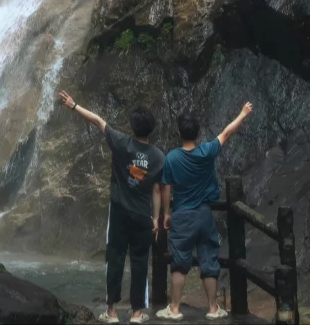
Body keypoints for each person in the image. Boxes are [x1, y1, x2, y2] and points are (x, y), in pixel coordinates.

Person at [58, 89, 165, 324]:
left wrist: (74, 106)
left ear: (133, 126)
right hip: (141, 215)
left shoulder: (121, 143)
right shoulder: (158, 157)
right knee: (139, 261)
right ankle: (137, 313)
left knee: (115, 259)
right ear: (150, 129)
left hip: (118, 213)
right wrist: (155, 219)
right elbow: (157, 189)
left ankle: (112, 311)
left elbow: (98, 121)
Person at [155, 102, 253, 322]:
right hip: (204, 213)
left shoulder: (171, 158)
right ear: (198, 133)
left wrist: (167, 213)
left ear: (179, 133)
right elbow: (227, 132)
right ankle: (212, 308)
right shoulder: (207, 151)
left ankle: (174, 309)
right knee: (209, 259)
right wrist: (243, 113)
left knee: (179, 262)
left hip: (182, 214)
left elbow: (165, 187)